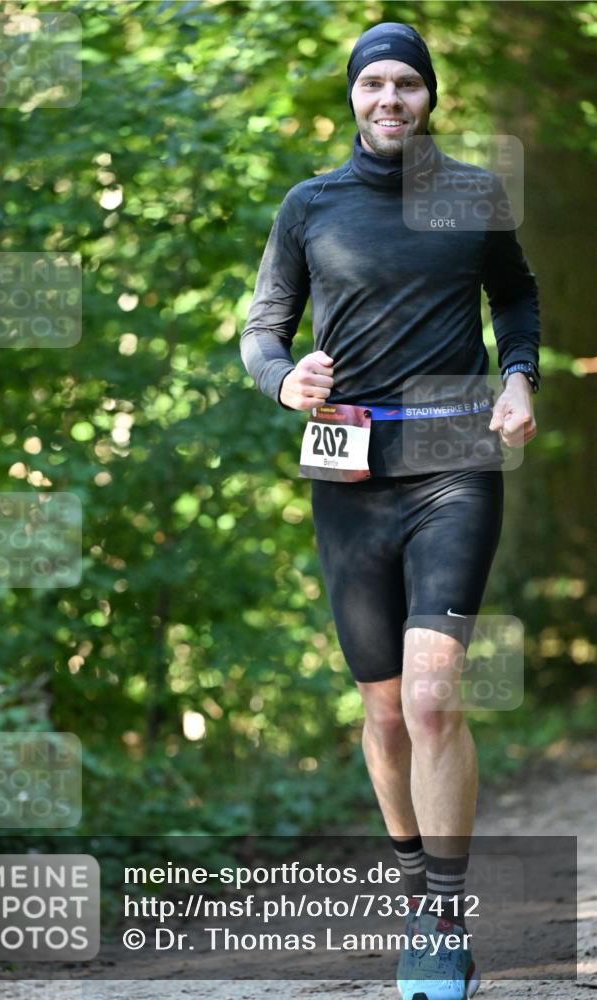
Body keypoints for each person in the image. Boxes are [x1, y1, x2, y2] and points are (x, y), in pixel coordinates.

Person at [240, 20, 540, 1000]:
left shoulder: (470, 193)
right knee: (380, 712)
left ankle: (443, 918)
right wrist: (285, 381)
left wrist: (519, 378)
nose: (389, 100)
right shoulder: (309, 206)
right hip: (348, 467)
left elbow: (516, 296)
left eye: (407, 84)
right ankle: (413, 881)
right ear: (352, 96)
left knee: (430, 696)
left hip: (456, 454)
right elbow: (262, 327)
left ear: (429, 97)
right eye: (373, 83)